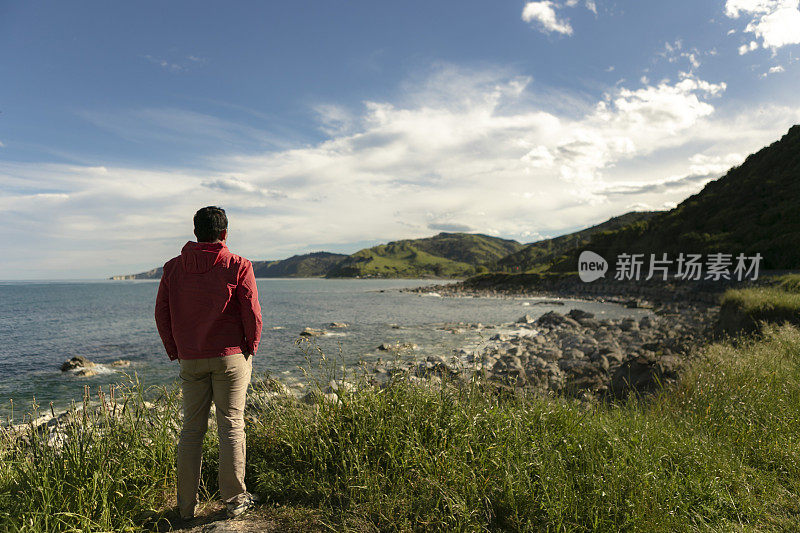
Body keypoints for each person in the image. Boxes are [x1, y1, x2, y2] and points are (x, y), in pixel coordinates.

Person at [154, 206, 263, 521]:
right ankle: (234, 500)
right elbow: (252, 312)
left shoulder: (173, 268)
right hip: (230, 357)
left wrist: (176, 350)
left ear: (195, 232)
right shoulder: (238, 265)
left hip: (191, 359)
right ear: (224, 233)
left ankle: (186, 507)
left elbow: (162, 313)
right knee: (231, 425)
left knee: (191, 430)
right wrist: (250, 348)